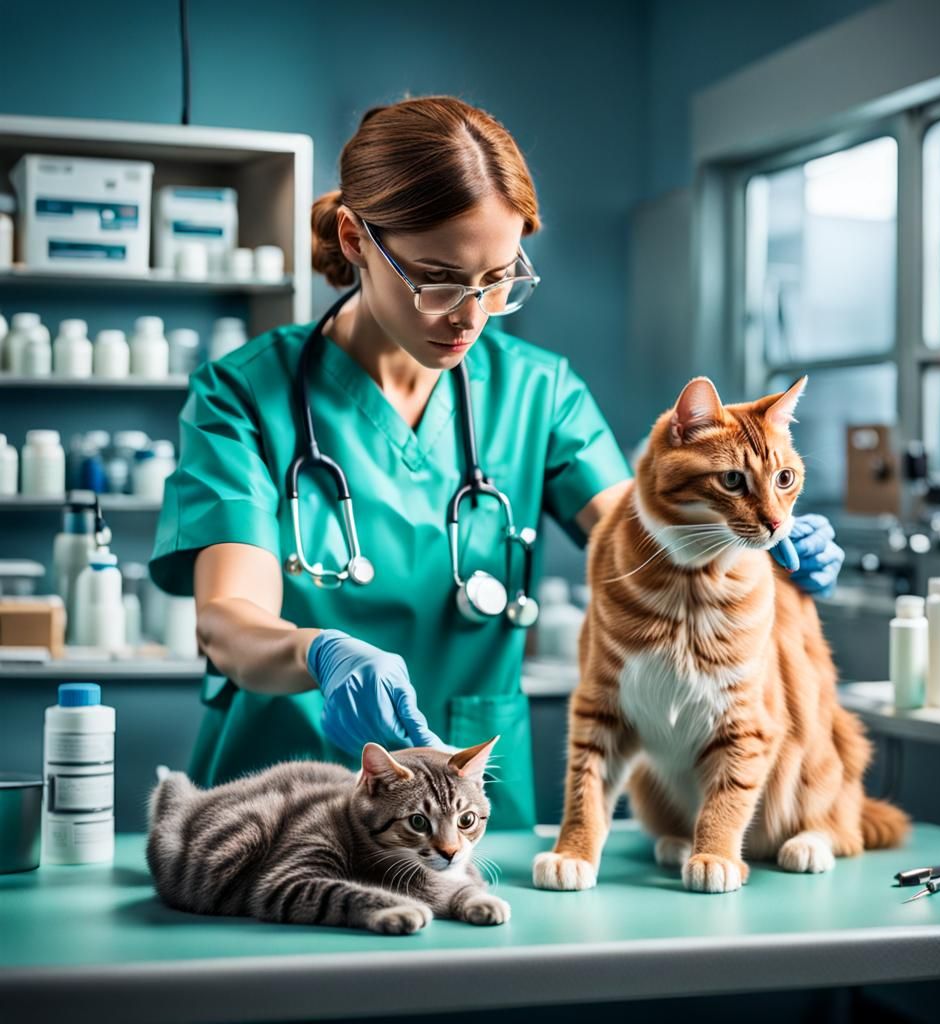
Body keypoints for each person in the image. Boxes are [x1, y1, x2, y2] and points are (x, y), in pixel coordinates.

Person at [149, 95, 844, 829]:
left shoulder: (539, 393)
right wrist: (319, 652)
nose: (470, 315)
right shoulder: (242, 395)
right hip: (279, 815)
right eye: (438, 277)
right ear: (354, 241)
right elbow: (227, 622)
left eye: (499, 279)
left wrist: (736, 542)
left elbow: (638, 548)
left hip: (469, 828)